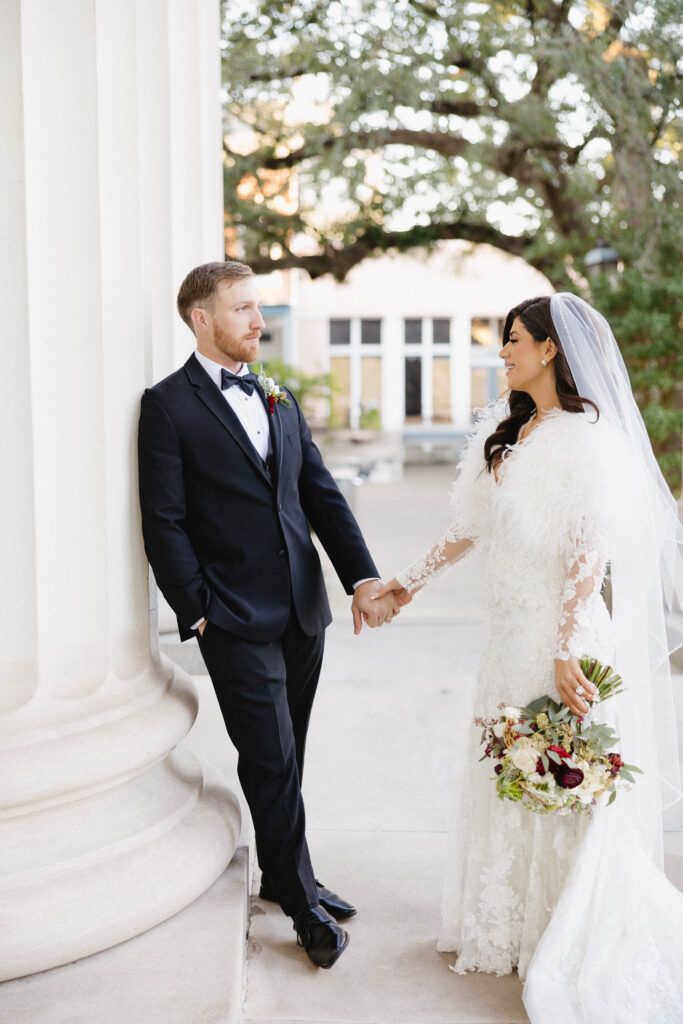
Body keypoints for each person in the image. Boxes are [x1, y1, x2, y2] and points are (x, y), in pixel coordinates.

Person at [376, 293, 683, 1022]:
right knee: (505, 773)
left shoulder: (589, 439)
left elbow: (588, 549)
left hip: (559, 643)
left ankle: (566, 926)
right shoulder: (507, 431)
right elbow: (467, 527)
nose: (501, 352)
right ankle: (509, 924)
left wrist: (566, 645)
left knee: (562, 783)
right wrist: (405, 583)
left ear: (549, 349)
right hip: (507, 638)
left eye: (512, 340)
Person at [138, 260, 398, 969]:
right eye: (244, 309)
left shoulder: (275, 395)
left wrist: (361, 578)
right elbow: (163, 522)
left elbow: (319, 494)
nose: (259, 322)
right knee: (272, 757)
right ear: (201, 318)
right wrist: (198, 612)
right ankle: (303, 909)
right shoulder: (167, 405)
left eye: (259, 308)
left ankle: (287, 877)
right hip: (232, 617)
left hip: (302, 611)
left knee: (290, 754)